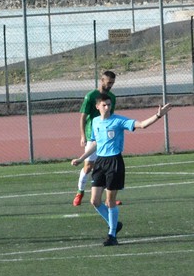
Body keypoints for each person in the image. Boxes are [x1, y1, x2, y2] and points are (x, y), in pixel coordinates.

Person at [71, 94, 171, 246]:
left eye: (109, 104)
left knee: (110, 200)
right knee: (95, 201)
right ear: (97, 107)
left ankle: (112, 235)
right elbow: (96, 143)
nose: (107, 107)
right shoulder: (96, 121)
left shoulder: (118, 120)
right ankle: (114, 224)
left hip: (114, 162)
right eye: (104, 105)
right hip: (100, 162)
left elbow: (142, 125)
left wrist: (158, 115)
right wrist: (81, 158)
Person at [74, 71, 117, 206]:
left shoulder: (112, 97)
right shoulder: (91, 96)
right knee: (88, 167)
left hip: (105, 136)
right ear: (102, 81)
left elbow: (110, 117)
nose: (110, 85)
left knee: (107, 167)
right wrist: (83, 135)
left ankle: (109, 197)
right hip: (92, 135)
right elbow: (83, 117)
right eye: (108, 82)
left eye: (112, 83)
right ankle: (80, 192)